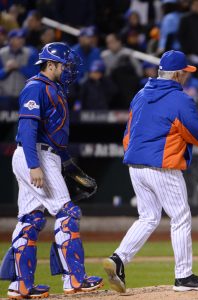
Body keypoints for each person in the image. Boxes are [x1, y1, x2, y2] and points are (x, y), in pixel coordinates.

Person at [103, 50, 198, 293]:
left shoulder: (141, 95)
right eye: (184, 73)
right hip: (162, 166)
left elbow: (128, 133)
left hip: (135, 165)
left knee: (148, 217)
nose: (186, 77)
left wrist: (135, 157)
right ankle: (183, 277)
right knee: (181, 216)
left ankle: (119, 259)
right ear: (176, 74)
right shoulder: (179, 99)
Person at [0, 42, 103, 299]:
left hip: (44, 154)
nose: (68, 70)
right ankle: (75, 280)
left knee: (31, 218)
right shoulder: (36, 87)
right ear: (51, 64)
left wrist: (68, 166)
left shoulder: (51, 88)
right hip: (35, 155)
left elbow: (54, 135)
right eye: (64, 65)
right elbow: (27, 129)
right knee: (67, 212)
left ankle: (20, 285)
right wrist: (35, 166)